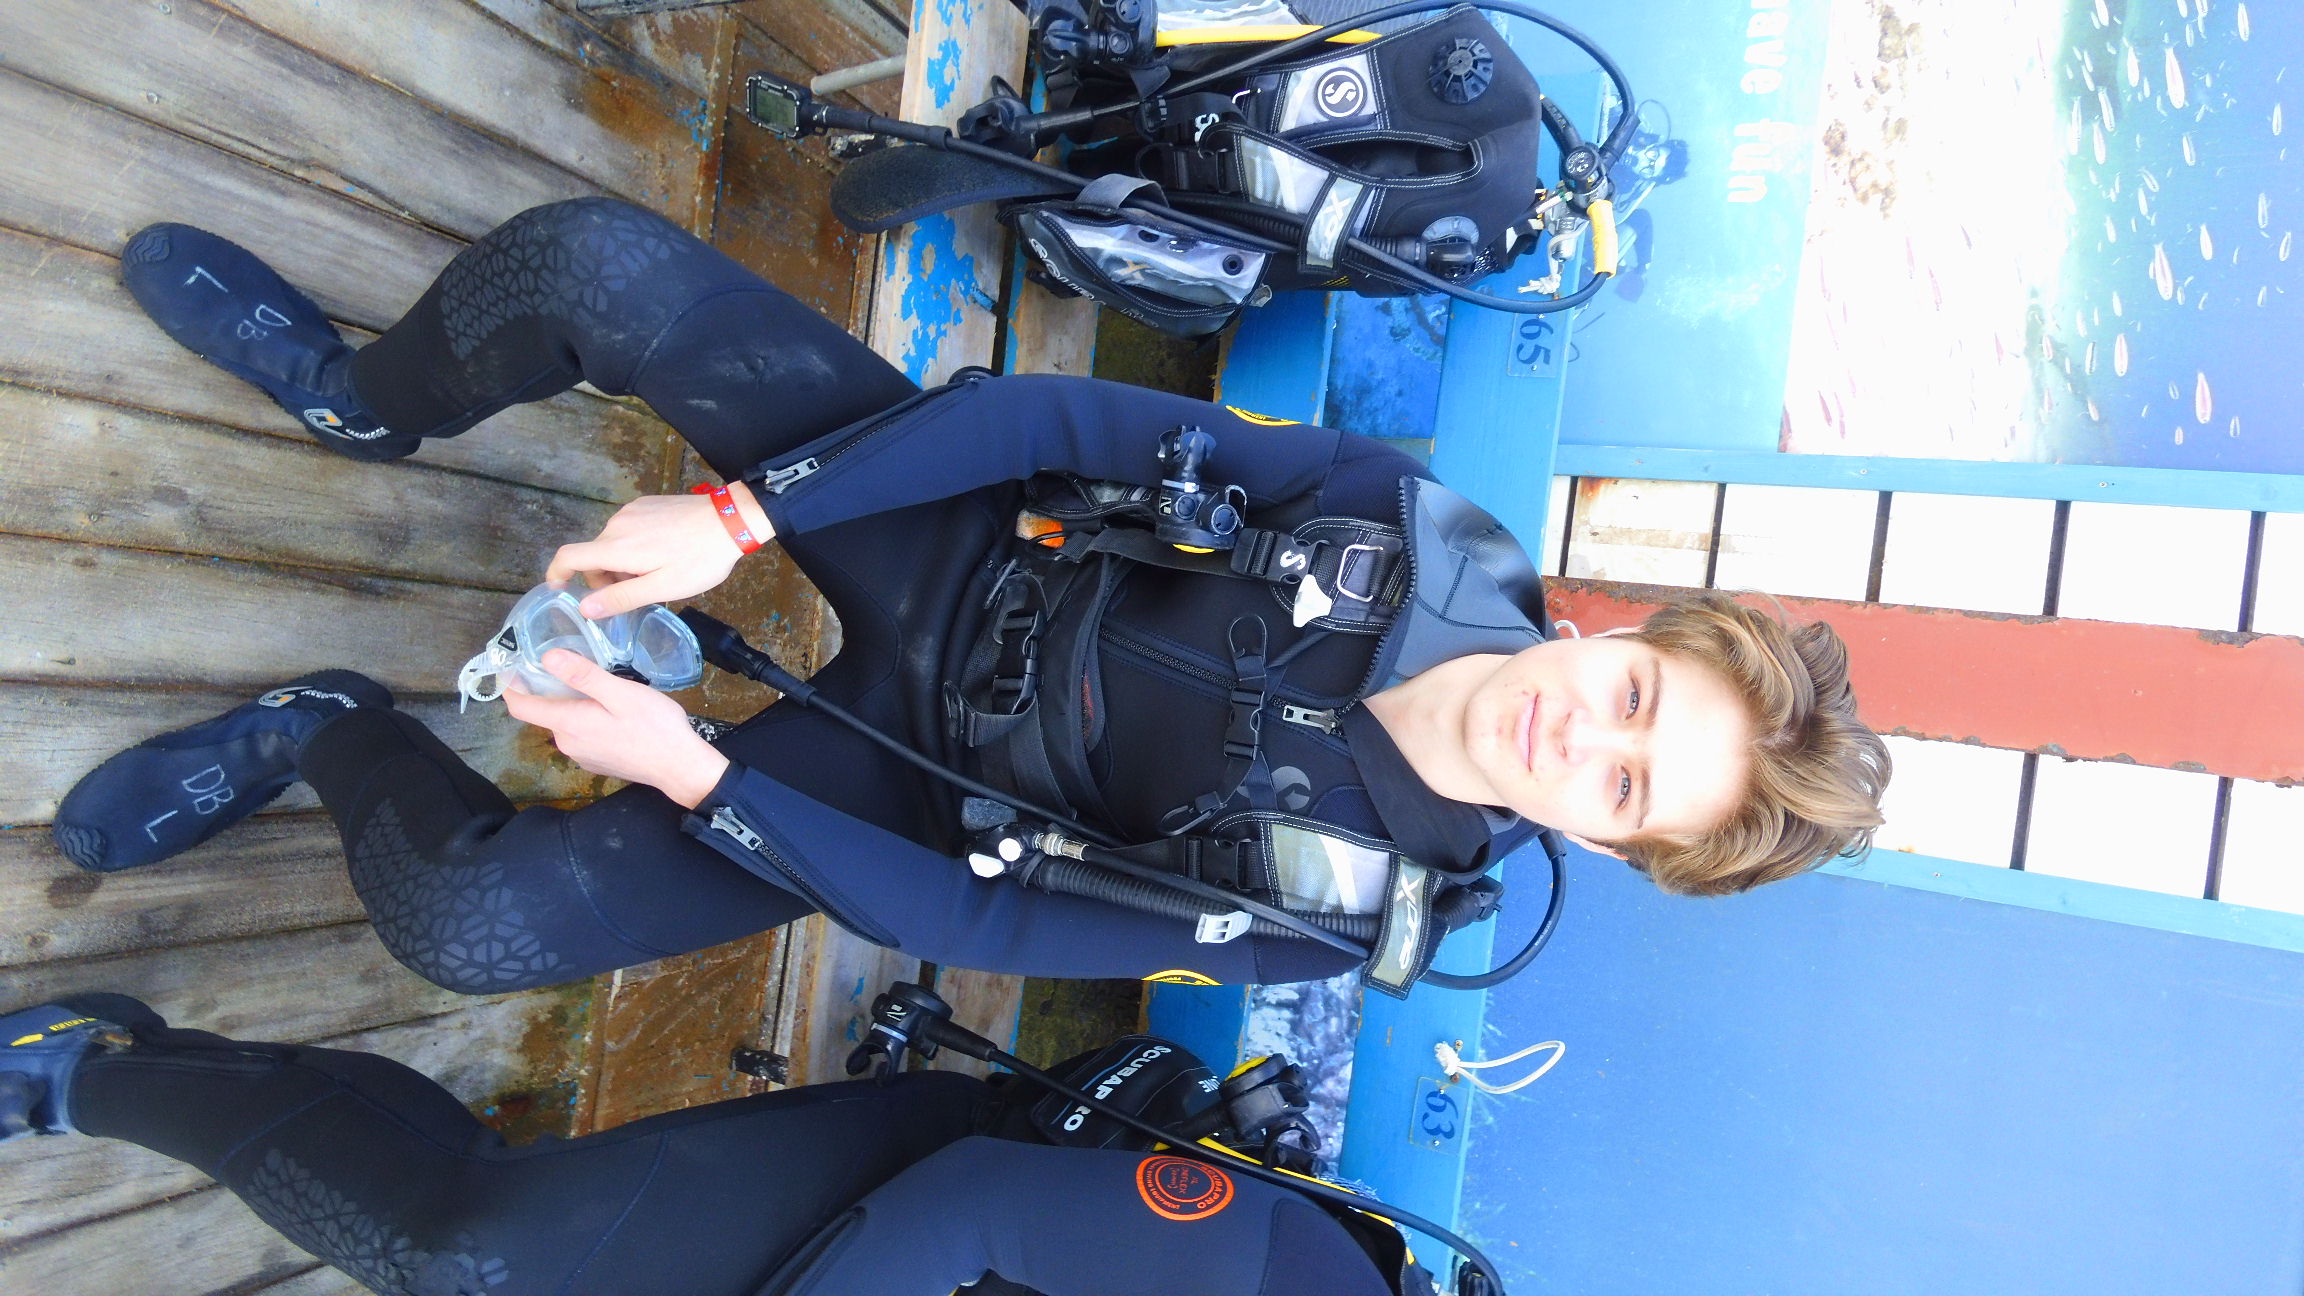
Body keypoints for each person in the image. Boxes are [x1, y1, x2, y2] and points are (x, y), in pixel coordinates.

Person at [54, 198, 1889, 996]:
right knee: (587, 268)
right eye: (1639, 700)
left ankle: (321, 737)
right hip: (952, 526)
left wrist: (702, 777)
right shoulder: (1410, 525)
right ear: (1634, 638)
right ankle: (364, 398)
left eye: (1629, 789)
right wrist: (740, 516)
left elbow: (986, 932)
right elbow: (1057, 419)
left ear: (1617, 847)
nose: (1582, 739)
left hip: (925, 794)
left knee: (469, 928)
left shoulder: (1343, 912)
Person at [0, 994, 1424, 1296]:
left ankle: (229, 1078)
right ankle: (87, 1071)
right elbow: (983, 1204)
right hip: (915, 1200)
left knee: (473, 1233)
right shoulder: (1300, 1280)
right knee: (473, 1253)